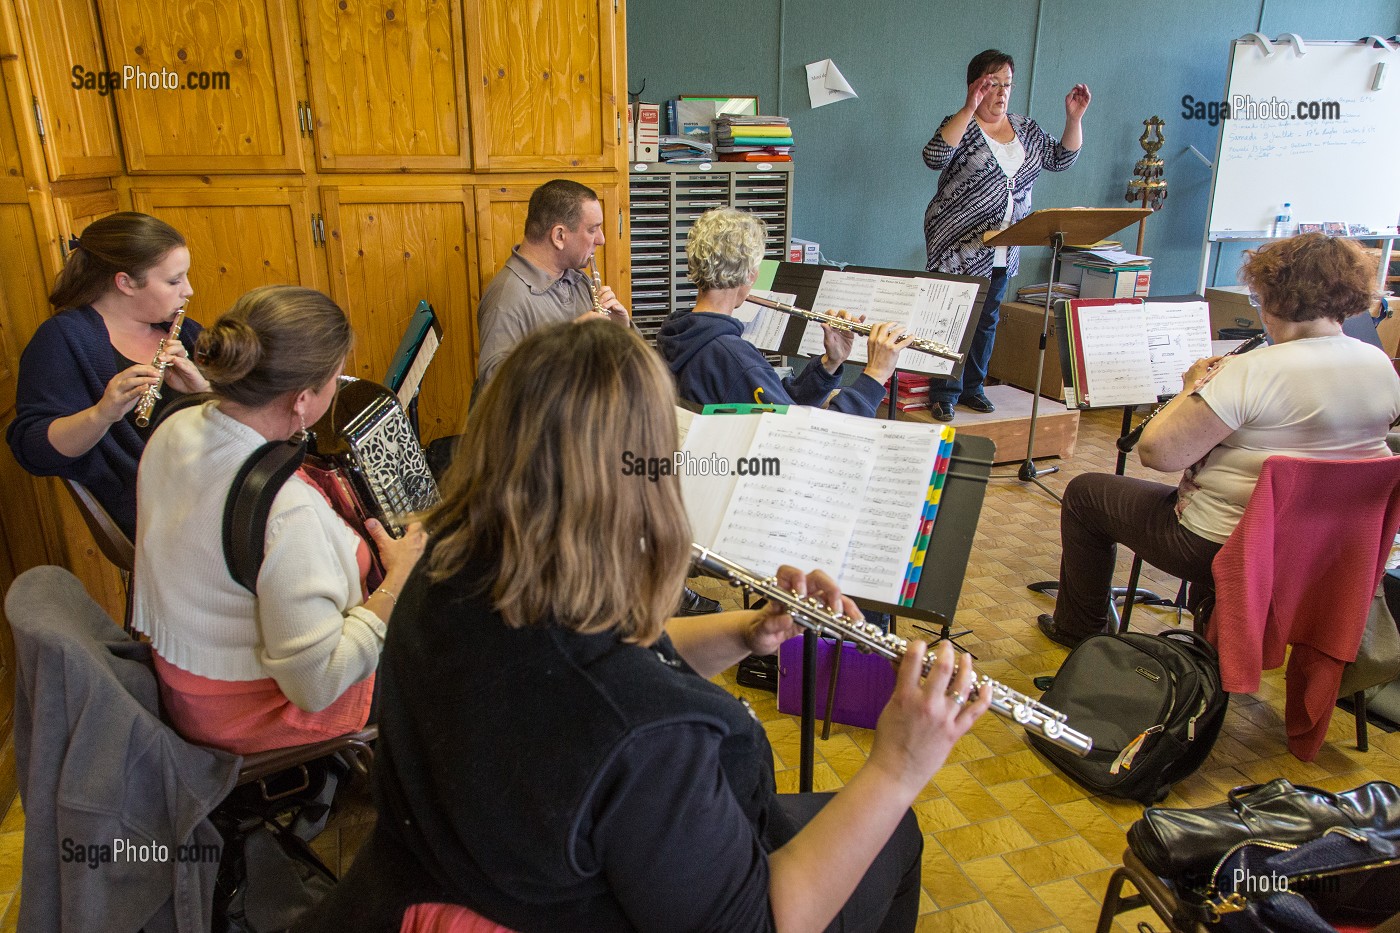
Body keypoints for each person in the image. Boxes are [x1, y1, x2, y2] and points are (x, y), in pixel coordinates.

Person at [303, 320, 991, 933]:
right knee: (893, 831)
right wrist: (899, 765)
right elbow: (766, 919)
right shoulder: (648, 738)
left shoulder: (446, 575)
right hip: (577, 898)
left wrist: (748, 630)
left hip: (468, 871)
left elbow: (616, 666)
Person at [1039, 233, 1400, 649]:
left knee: (1086, 494)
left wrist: (1191, 389)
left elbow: (1158, 454)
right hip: (1327, 547)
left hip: (1227, 545)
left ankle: (1078, 632)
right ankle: (1216, 636)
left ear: (1275, 297)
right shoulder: (1378, 364)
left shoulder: (1252, 370)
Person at [132, 285, 427, 753]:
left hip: (188, 678)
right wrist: (397, 583)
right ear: (303, 400)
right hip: (259, 712)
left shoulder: (177, 423)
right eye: (336, 378)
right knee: (465, 650)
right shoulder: (286, 512)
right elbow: (317, 683)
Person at [7, 212, 206, 539]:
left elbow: (241, 412)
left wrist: (204, 391)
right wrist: (103, 413)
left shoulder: (182, 332)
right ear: (125, 282)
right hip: (153, 510)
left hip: (207, 483)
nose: (189, 291)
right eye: (174, 281)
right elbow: (32, 449)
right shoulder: (63, 340)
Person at [922, 49, 1089, 422]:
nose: (1000, 93)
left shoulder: (1025, 128)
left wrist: (1073, 119)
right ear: (975, 86)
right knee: (953, 319)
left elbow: (1060, 158)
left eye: (1007, 85)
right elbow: (934, 156)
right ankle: (943, 392)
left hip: (1005, 244)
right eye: (992, 84)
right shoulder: (961, 125)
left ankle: (972, 387)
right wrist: (969, 108)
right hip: (959, 245)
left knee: (988, 317)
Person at [658, 206, 913, 415]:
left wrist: (829, 364)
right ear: (750, 275)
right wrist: (875, 374)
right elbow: (808, 440)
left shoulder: (676, 336)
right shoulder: (733, 358)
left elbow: (778, 406)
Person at [473, 178, 630, 390]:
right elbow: (495, 389)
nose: (601, 239)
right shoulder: (506, 299)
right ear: (559, 236)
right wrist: (566, 340)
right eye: (593, 230)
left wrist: (619, 331)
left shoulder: (578, 279)